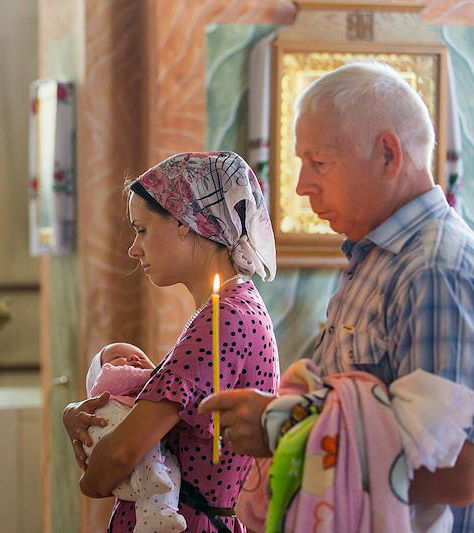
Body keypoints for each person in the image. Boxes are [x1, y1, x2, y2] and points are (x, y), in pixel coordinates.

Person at [199, 62, 474, 531]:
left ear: (388, 154)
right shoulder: (376, 253)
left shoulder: (433, 268)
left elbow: (456, 473)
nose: (303, 186)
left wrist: (281, 428)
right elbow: (349, 404)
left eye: (319, 163)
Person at [63, 151, 279, 532]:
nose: (134, 248)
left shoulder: (226, 316)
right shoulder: (226, 309)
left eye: (142, 229)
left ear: (185, 222)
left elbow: (123, 453)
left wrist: (92, 477)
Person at [84, 343, 187, 533]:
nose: (134, 358)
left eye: (140, 355)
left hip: (135, 467)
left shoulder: (145, 399)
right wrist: (159, 375)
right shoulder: (107, 383)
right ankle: (151, 479)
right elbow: (120, 378)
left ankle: (158, 515)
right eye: (117, 357)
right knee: (149, 454)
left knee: (169, 467)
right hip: (105, 430)